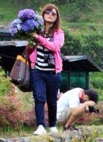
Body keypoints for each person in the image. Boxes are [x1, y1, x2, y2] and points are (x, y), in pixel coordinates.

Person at [29, 4, 64, 135]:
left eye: (53, 13)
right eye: (48, 12)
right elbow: (30, 49)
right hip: (37, 70)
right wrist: (31, 41)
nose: (50, 14)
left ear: (56, 18)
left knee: (52, 100)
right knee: (39, 98)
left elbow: (55, 47)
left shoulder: (59, 33)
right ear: (43, 14)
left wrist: (38, 38)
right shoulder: (35, 31)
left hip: (53, 72)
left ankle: (53, 125)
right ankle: (40, 126)